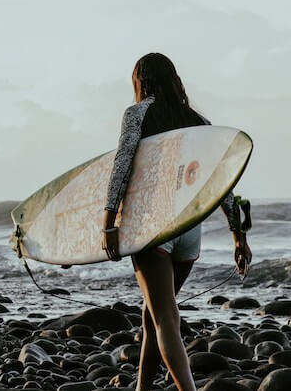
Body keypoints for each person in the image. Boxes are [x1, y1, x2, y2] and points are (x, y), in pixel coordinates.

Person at [101, 53, 251, 391]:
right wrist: (238, 236)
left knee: (165, 318)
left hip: (152, 228)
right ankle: (143, 387)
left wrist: (109, 223)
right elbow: (221, 184)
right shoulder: (199, 122)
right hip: (188, 232)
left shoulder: (136, 113)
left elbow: (122, 167)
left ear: (141, 81)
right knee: (153, 314)